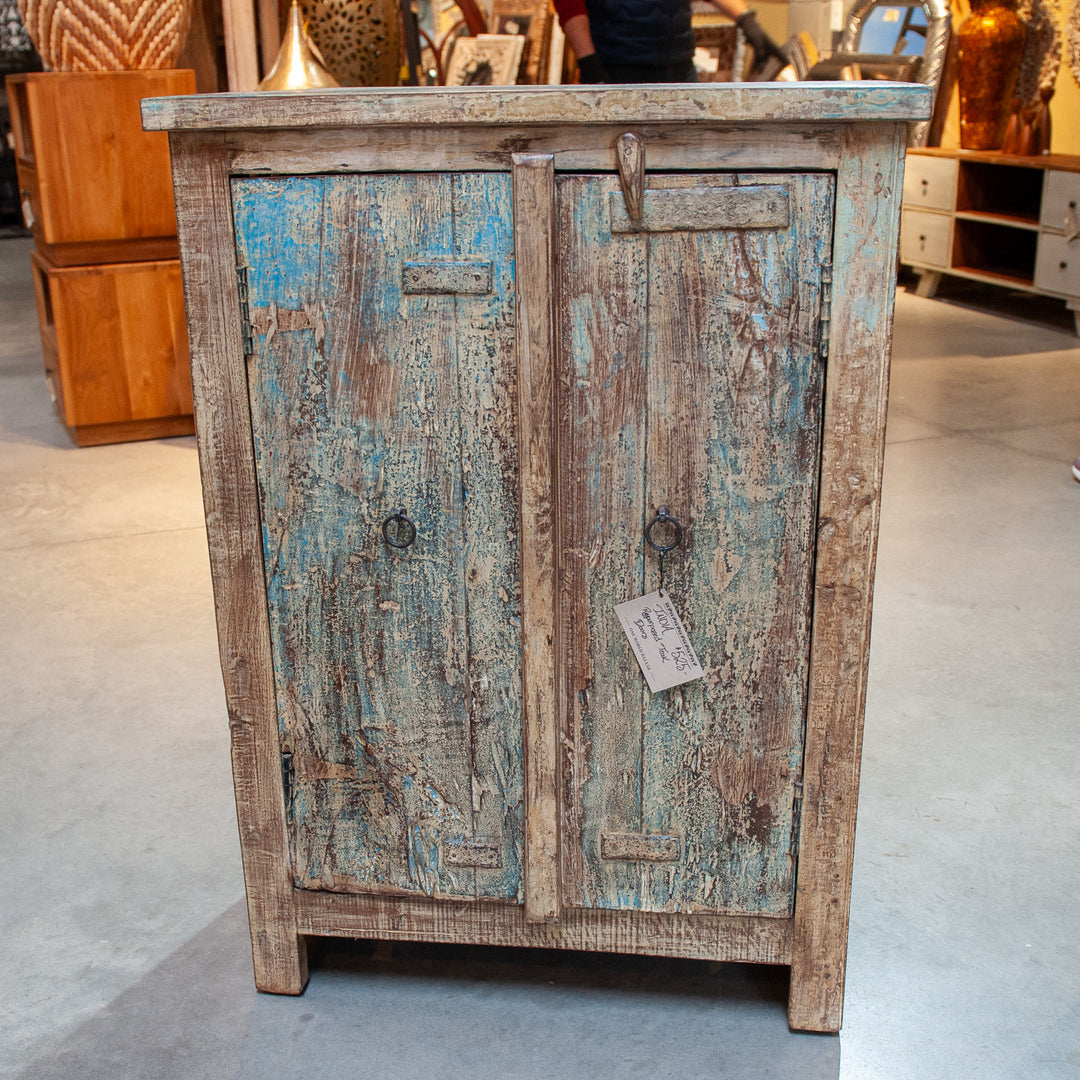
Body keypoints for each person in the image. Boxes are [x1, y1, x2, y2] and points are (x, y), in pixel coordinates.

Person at [553, 0, 788, 84]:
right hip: (617, 71)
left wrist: (747, 21)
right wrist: (589, 64)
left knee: (687, 155)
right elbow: (571, 5)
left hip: (679, 68)